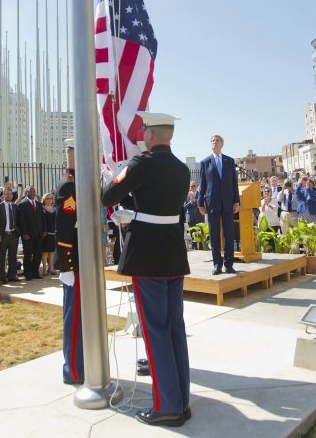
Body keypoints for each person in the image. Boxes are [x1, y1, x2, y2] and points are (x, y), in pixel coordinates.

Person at [102, 112, 191, 427]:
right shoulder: (182, 169)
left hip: (148, 257)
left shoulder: (141, 165)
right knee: (174, 330)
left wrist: (117, 174)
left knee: (155, 332)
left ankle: (167, 405)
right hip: (173, 256)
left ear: (151, 135)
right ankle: (181, 400)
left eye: (144, 132)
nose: (142, 135)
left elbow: (108, 195)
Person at [55, 138, 85, 385]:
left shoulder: (81, 182)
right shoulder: (69, 185)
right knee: (74, 318)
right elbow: (64, 230)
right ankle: (74, 370)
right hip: (74, 261)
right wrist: (67, 266)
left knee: (83, 317)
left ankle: (84, 364)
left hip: (84, 259)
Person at [198, 134, 240, 275]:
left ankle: (229, 264)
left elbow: (234, 184)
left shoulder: (229, 161)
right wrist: (200, 204)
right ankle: (217, 265)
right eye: (212, 140)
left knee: (229, 235)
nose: (214, 142)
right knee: (215, 235)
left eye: (217, 140)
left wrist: (236, 201)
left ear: (222, 144)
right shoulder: (205, 162)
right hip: (212, 203)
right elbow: (202, 185)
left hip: (228, 203)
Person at [17, 185, 46, 280]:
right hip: (28, 235)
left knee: (38, 254)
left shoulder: (39, 204)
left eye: (33, 192)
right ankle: (27, 274)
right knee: (28, 255)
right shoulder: (22, 204)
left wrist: (44, 230)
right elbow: (21, 220)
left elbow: (42, 219)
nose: (32, 193)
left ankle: (35, 272)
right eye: (30, 192)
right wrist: (24, 233)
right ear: (26, 193)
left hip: (39, 234)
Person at [0, 188, 21, 282]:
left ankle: (12, 275)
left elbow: (17, 220)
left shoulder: (14, 206)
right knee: (1, 256)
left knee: (13, 256)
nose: (9, 195)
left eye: (10, 194)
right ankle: (2, 276)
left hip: (13, 234)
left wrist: (18, 232)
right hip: (2, 235)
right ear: (3, 195)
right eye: (7, 194)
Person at [40, 192, 57, 276]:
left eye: (51, 198)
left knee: (52, 251)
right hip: (45, 233)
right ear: (44, 199)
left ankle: (51, 268)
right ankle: (44, 269)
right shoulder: (42, 209)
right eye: (47, 198)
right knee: (44, 251)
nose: (49, 200)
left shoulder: (55, 209)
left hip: (53, 232)